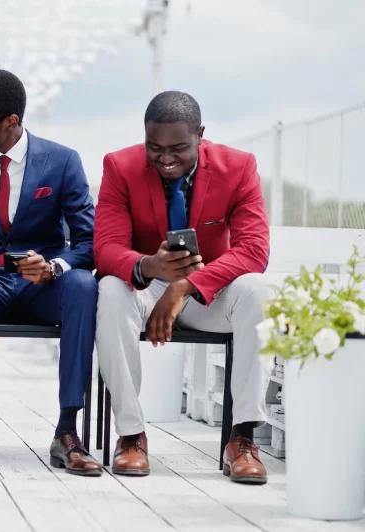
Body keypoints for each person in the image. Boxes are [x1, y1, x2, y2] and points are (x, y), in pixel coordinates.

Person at [94, 91, 271, 484]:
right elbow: (105, 248)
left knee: (258, 290)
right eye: (154, 148)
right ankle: (131, 434)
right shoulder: (120, 167)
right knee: (108, 289)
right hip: (146, 287)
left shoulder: (238, 167)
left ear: (201, 135)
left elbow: (255, 250)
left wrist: (185, 287)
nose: (166, 158)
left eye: (178, 148)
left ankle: (241, 439)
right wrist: (149, 266)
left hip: (208, 291)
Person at [0, 69, 101, 476]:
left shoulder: (62, 162)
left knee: (82, 284)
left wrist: (54, 267)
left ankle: (68, 432)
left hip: (43, 286)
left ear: (10, 121)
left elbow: (89, 242)